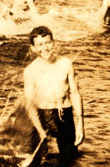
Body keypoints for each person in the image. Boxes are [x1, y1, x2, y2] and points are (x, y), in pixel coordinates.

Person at [23, 25, 84, 159]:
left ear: (53, 43)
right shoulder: (30, 72)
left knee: (70, 160)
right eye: (40, 44)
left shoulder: (66, 64)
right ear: (33, 48)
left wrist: (80, 124)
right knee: (38, 165)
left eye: (48, 42)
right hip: (43, 116)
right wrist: (40, 130)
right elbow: (30, 105)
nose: (45, 48)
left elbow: (75, 93)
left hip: (64, 114)